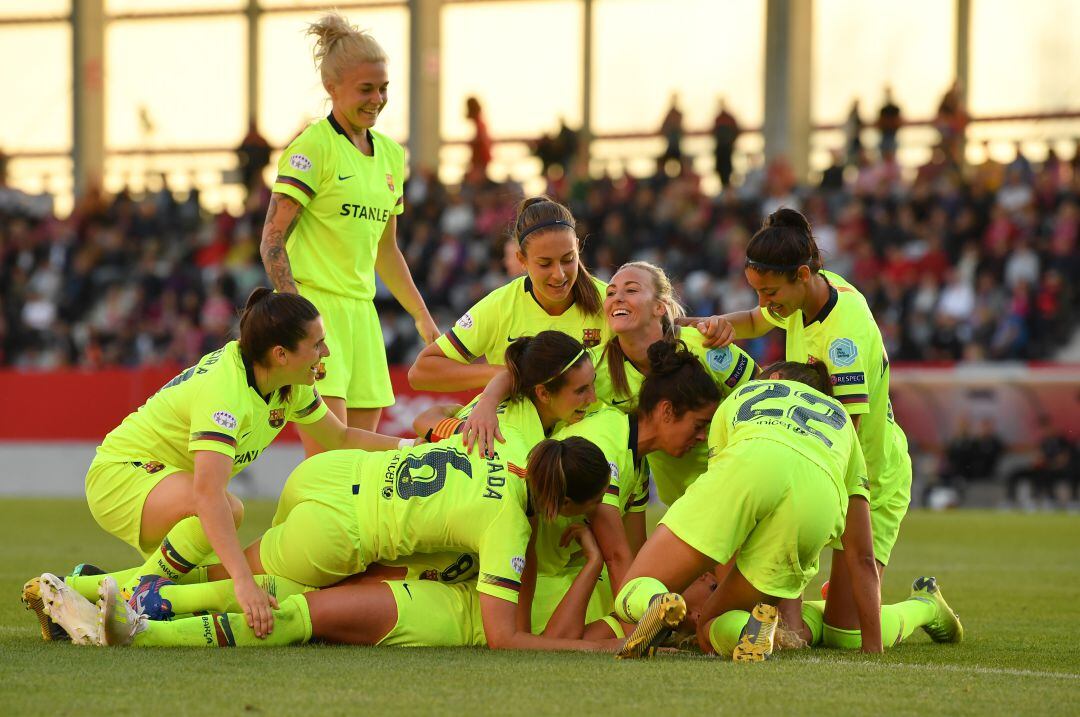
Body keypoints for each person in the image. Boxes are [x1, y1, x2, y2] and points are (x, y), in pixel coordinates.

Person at [21, 289, 407, 642]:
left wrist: (414, 447)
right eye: (317, 344)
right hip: (122, 474)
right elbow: (207, 496)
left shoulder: (292, 381)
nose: (326, 353)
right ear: (281, 354)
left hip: (164, 481)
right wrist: (244, 583)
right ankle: (135, 595)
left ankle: (77, 589)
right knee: (228, 510)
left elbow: (340, 437)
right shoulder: (226, 392)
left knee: (195, 579)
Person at [44, 432, 614, 652]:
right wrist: (599, 644)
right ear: (560, 503)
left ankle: (82, 583)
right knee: (241, 588)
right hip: (341, 531)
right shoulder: (509, 527)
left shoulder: (505, 449)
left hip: (332, 472)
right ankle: (136, 615)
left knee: (258, 583)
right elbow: (502, 636)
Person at [688, 207, 913, 650]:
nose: (766, 302)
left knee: (847, 636)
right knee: (804, 631)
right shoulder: (801, 297)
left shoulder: (842, 339)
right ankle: (812, 610)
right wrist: (706, 327)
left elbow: (845, 432)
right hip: (818, 460)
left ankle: (925, 606)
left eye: (770, 292)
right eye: (758, 291)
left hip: (864, 471)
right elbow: (755, 320)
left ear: (804, 274)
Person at [612, 362, 885, 661]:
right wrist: (874, 646)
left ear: (776, 378)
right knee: (710, 630)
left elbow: (728, 523)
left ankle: (658, 601)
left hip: (751, 461)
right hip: (819, 498)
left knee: (629, 590)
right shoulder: (843, 420)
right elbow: (862, 556)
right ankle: (748, 628)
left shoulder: (745, 394)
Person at [259, 12, 438, 452]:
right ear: (331, 88)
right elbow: (272, 240)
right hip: (318, 314)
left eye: (383, 88)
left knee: (362, 468)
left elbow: (387, 250)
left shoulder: (392, 156)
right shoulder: (312, 147)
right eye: (365, 89)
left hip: (363, 318)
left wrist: (421, 315)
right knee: (329, 463)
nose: (377, 99)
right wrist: (300, 321)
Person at [408, 195, 608, 393]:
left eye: (568, 259)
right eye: (545, 264)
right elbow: (421, 372)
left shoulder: (610, 300)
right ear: (522, 259)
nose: (559, 274)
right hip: (516, 424)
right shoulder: (500, 305)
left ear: (578, 248)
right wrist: (505, 375)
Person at [596, 261, 757, 504]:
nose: (617, 297)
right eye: (611, 293)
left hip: (740, 485)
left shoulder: (706, 344)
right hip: (680, 502)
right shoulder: (598, 371)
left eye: (631, 290)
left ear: (660, 306)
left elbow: (763, 395)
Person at [711, 98, 740, 189]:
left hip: (726, 149)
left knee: (726, 169)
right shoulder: (719, 118)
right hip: (721, 149)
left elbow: (736, 131)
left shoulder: (727, 118)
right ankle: (725, 188)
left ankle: (727, 188)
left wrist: (730, 142)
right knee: (721, 169)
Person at [465, 96, 493, 178]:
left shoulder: (479, 123)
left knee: (476, 179)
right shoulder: (480, 122)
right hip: (481, 157)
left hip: (480, 157)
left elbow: (481, 139)